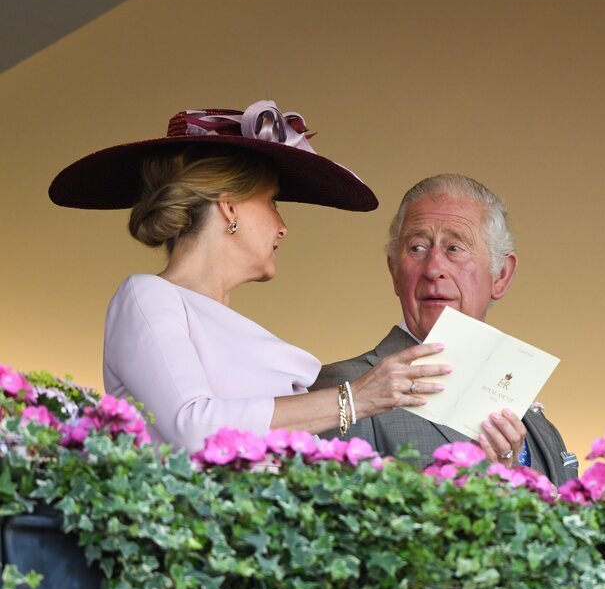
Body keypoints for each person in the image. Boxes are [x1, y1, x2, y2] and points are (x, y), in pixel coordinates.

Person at [48, 100, 449, 452]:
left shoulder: (234, 327)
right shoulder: (148, 296)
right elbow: (192, 426)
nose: (282, 226)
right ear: (230, 206)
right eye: (272, 201)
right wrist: (355, 398)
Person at [314, 174, 578, 485]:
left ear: (501, 275)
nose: (433, 268)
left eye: (454, 248)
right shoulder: (344, 387)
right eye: (416, 248)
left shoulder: (535, 418)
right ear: (394, 273)